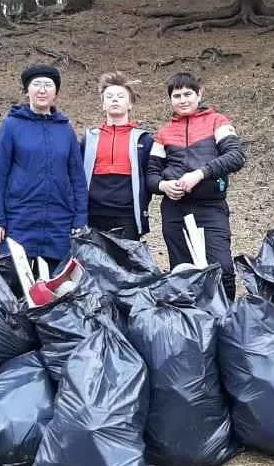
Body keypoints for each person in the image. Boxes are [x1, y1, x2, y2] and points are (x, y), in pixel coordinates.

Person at [146, 72, 246, 298]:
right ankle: (192, 325)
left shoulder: (217, 122)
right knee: (183, 274)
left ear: (199, 94)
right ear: (170, 99)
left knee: (223, 269)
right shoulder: (163, 133)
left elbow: (236, 156)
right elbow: (151, 175)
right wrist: (164, 186)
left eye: (188, 94)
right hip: (175, 210)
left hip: (210, 207)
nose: (183, 100)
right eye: (176, 95)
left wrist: (200, 174)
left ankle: (225, 319)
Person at [0, 64, 87, 268]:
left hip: (59, 221)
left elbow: (77, 178)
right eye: (36, 84)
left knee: (55, 287)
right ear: (27, 90)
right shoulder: (12, 126)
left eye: (48, 85)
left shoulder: (65, 129)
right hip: (19, 219)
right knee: (17, 286)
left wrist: (80, 219)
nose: (42, 90)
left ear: (55, 92)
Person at [81, 71, 153, 240]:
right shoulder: (89, 138)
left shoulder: (143, 139)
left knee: (125, 266)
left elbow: (149, 178)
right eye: (109, 96)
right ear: (103, 104)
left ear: (130, 104)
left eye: (120, 96)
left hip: (127, 216)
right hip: (92, 215)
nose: (114, 99)